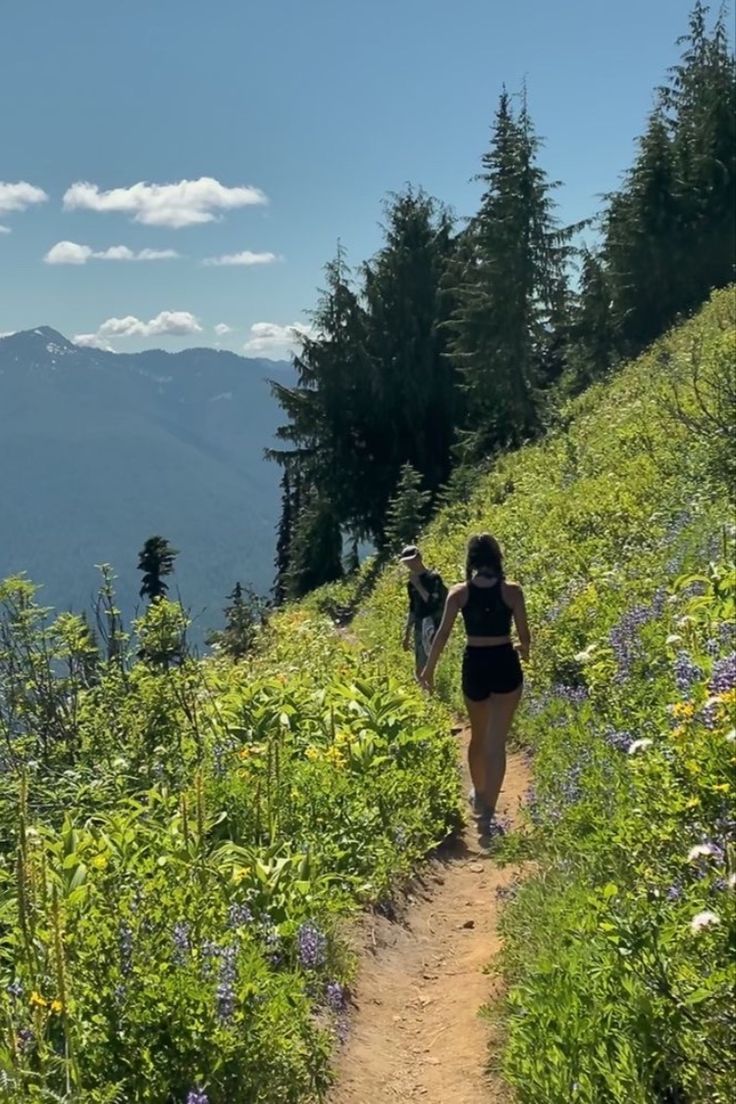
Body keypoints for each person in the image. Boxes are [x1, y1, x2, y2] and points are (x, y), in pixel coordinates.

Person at [419, 533, 530, 829]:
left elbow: (442, 635)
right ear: (497, 559)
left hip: (475, 664)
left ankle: (479, 795)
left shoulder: (459, 593)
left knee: (478, 736)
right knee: (497, 741)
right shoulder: (513, 592)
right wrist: (524, 650)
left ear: (471, 561)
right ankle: (489, 811)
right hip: (505, 661)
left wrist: (428, 670)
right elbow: (525, 636)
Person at [399, 545, 448, 679]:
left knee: (435, 659)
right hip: (419, 626)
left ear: (419, 558)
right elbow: (413, 608)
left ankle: (436, 685)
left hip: (435, 623)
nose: (409, 564)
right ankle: (425, 691)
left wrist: (418, 586)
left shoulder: (433, 578)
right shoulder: (411, 584)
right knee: (420, 662)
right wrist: (407, 634)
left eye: (412, 560)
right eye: (406, 562)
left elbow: (433, 602)